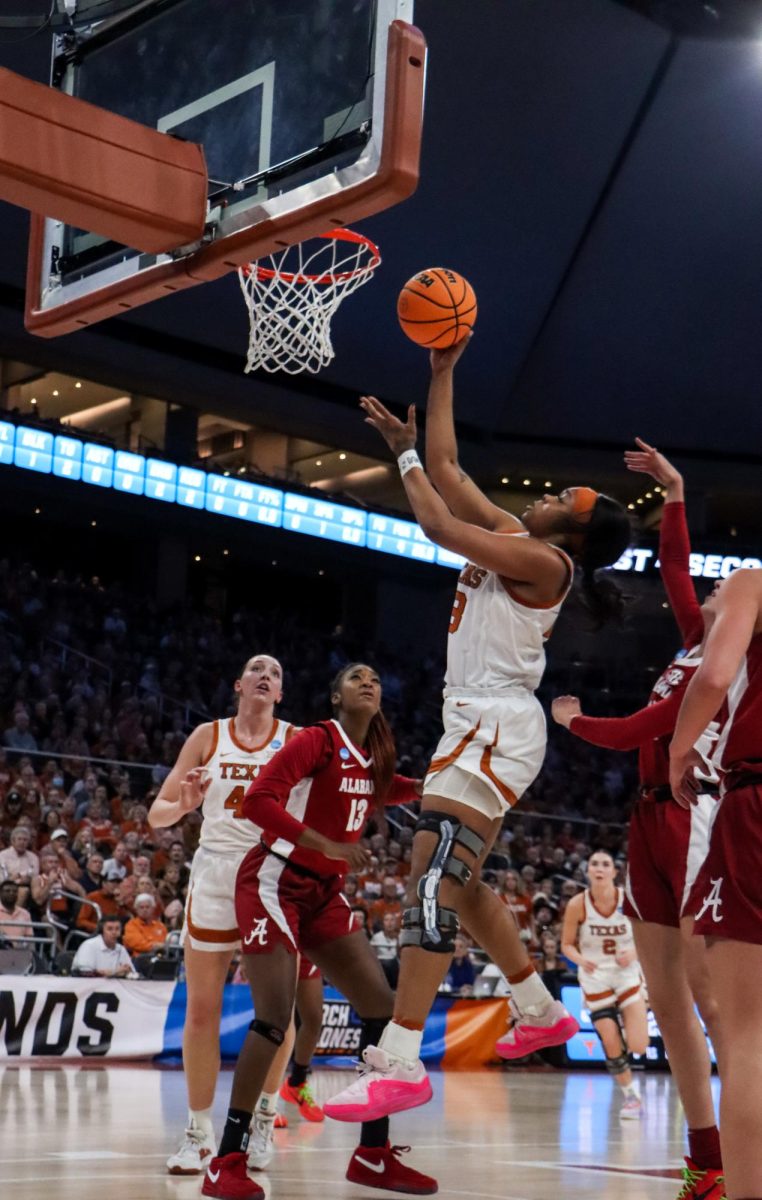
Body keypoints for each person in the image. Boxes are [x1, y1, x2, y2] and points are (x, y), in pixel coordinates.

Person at [325, 337, 631, 1122]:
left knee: (432, 882)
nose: (556, 492)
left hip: (497, 721)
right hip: (474, 719)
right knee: (456, 884)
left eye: (570, 497)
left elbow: (435, 520)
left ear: (577, 536)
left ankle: (399, 1059)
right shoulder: (528, 543)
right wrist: (443, 374)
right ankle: (539, 1011)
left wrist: (400, 461)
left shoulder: (548, 567)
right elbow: (452, 471)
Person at [552, 440, 724, 1198]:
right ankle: (705, 1154)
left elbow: (643, 727)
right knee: (670, 1004)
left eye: (730, 589)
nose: (708, 589)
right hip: (648, 821)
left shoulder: (732, 664)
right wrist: (677, 493)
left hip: (696, 820)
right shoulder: (695, 643)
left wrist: (577, 722)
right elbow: (678, 570)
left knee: (714, 1003)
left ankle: (738, 1140)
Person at [202, 662, 435, 1200]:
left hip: (323, 894)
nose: (370, 682)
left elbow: (384, 789)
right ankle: (226, 1160)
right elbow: (258, 800)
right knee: (272, 1019)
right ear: (336, 697)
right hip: (274, 880)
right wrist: (323, 843)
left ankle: (373, 1155)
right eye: (356, 678)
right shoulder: (316, 740)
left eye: (376, 678)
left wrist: (431, 788)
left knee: (382, 1009)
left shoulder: (371, 756)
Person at [148, 654, 301, 1176]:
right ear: (239, 684)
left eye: (275, 673)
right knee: (201, 1011)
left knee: (276, 1014)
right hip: (214, 875)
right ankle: (197, 1132)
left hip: (272, 876)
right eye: (257, 668)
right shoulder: (208, 736)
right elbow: (158, 813)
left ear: (279, 692)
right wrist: (186, 804)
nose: (266, 675)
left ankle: (263, 1117)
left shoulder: (298, 739)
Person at [670, 566, 762, 1200]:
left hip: (755, 802)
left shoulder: (754, 581)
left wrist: (680, 749)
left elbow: (716, 675)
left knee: (747, 1032)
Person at [561, 850, 648, 1119]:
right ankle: (631, 1095)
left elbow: (647, 936)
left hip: (627, 973)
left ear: (614, 872)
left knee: (638, 1046)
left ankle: (626, 1025)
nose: (599, 868)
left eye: (605, 864)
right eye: (594, 864)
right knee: (609, 1040)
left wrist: (634, 953)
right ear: (588, 871)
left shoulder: (629, 899)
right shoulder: (578, 903)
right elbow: (566, 945)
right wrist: (580, 960)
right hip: (595, 974)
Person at [0, 878, 33, 945]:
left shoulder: (25, 914)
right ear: (0, 893)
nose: (11, 893)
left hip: (19, 952)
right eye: (7, 891)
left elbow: (30, 939)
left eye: (15, 891)